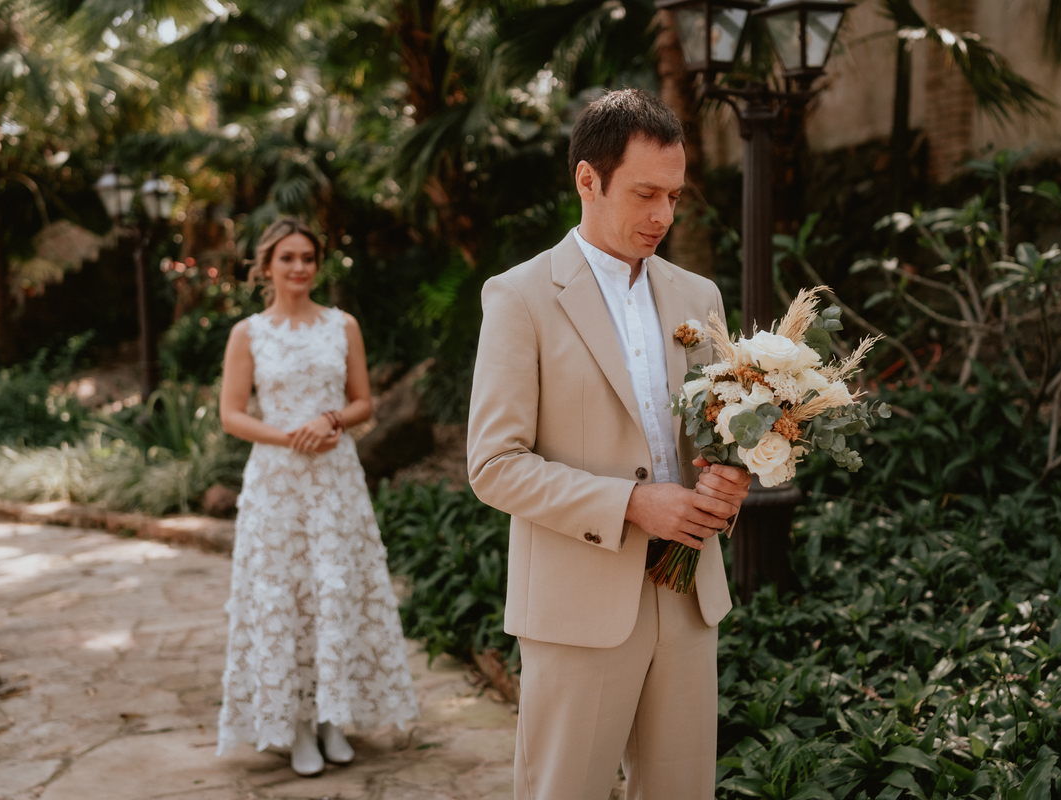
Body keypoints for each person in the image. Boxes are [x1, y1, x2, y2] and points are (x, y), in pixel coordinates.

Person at [466, 89, 752, 799]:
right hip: (576, 603)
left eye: (675, 196)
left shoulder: (699, 295)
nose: (664, 216)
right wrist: (629, 503)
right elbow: (494, 467)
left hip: (688, 598)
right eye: (645, 193)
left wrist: (730, 474)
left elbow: (716, 430)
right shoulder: (519, 296)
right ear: (587, 181)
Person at [216, 217, 418, 775]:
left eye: (308, 257)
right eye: (288, 258)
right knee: (285, 597)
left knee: (335, 588)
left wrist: (329, 420)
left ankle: (333, 720)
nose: (300, 266)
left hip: (335, 480)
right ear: (267, 266)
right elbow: (231, 414)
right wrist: (289, 436)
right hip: (276, 483)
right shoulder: (248, 334)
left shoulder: (342, 325)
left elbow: (363, 403)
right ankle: (297, 726)